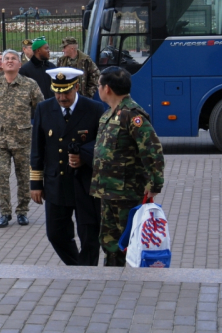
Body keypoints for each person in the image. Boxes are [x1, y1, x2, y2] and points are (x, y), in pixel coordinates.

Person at [31, 68, 105, 266]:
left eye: (66, 92)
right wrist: (36, 183)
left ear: (77, 87)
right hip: (57, 181)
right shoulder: (44, 108)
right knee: (56, 234)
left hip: (85, 182)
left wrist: (84, 157)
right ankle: (77, 267)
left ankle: (87, 269)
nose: (62, 97)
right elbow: (37, 148)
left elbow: (104, 144)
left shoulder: (95, 109)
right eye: (57, 92)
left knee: (89, 235)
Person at [92, 66, 165, 267]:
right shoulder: (108, 115)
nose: (98, 89)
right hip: (108, 191)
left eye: (98, 85)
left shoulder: (133, 115)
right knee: (109, 240)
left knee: (130, 240)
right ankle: (113, 273)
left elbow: (153, 150)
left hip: (127, 192)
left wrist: (155, 183)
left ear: (107, 88)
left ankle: (132, 277)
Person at [0, 49, 44, 227]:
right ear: (1, 64)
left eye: (13, 59)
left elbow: (42, 110)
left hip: (23, 140)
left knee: (24, 177)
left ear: (19, 64)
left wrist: (38, 134)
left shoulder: (29, 85)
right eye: (6, 58)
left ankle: (22, 211)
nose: (9, 61)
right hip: (0, 139)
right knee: (0, 174)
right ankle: (5, 212)